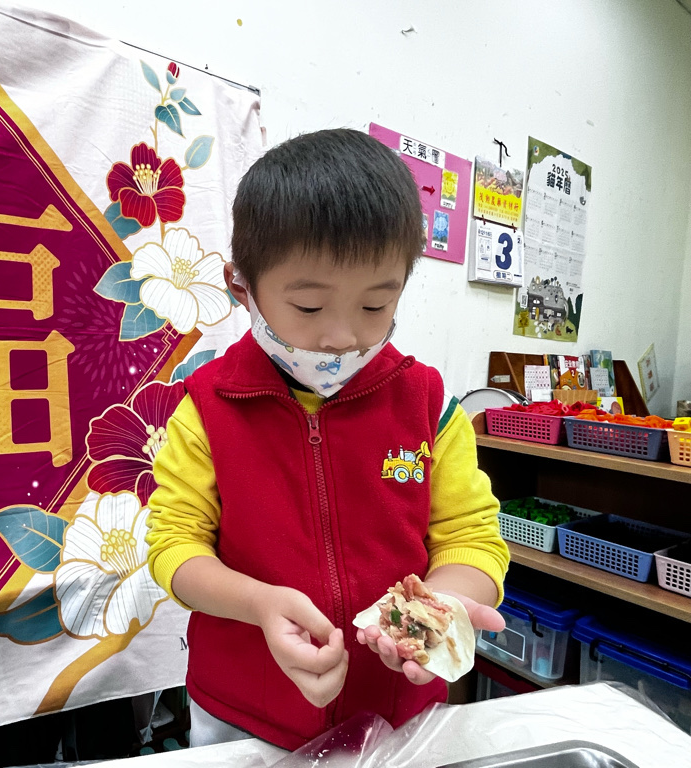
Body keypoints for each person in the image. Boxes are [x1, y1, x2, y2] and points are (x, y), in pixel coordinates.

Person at [146, 129, 510, 751]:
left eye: (375, 306)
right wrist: (259, 604)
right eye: (310, 308)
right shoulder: (208, 407)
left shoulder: (427, 405)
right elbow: (174, 546)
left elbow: (470, 535)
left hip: (399, 715)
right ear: (242, 287)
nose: (342, 337)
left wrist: (437, 609)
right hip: (243, 715)